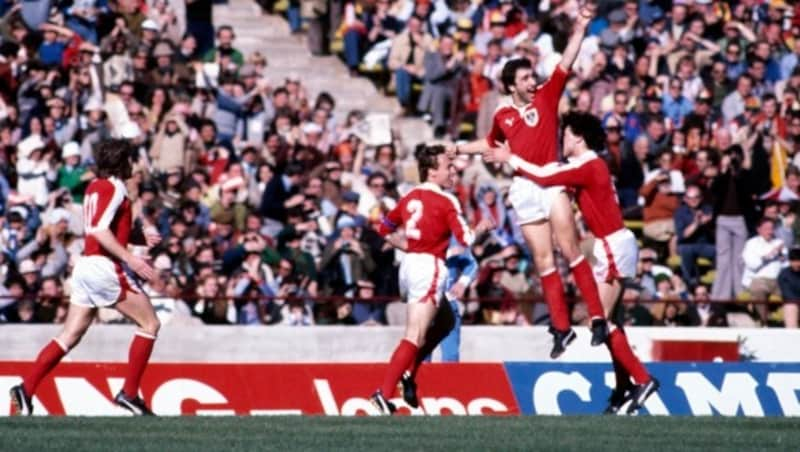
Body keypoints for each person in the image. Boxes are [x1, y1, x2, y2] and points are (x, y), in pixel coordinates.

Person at [448, 3, 609, 356]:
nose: (532, 81)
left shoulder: (547, 96)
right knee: (543, 261)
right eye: (524, 79)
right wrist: (457, 147)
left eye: (532, 76)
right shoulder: (503, 114)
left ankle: (598, 317)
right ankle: (561, 328)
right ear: (510, 85)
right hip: (523, 187)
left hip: (551, 180)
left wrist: (580, 27)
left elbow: (566, 59)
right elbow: (491, 144)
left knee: (570, 250)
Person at [488, 111, 659, 415]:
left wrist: (511, 157)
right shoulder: (590, 166)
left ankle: (643, 380)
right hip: (616, 243)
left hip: (611, 246)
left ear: (578, 136)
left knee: (602, 322)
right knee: (612, 322)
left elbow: (543, 177)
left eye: (566, 133)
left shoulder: (588, 165)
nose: (562, 138)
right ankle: (623, 389)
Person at [9, 139, 161, 416]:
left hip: (86, 266)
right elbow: (100, 231)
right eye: (130, 159)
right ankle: (129, 393)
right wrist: (131, 259)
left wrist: (139, 236)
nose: (133, 165)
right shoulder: (115, 188)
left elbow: (102, 227)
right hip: (105, 267)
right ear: (122, 161)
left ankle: (26, 387)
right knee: (150, 323)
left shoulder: (95, 187)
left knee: (69, 335)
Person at [369, 144, 490, 415]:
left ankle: (410, 374)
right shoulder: (447, 201)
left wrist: (409, 248)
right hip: (430, 268)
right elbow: (467, 239)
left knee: (446, 320)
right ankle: (383, 394)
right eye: (447, 167)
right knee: (415, 334)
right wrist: (482, 227)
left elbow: (384, 228)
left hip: (409, 266)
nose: (452, 172)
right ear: (432, 171)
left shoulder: (410, 196)